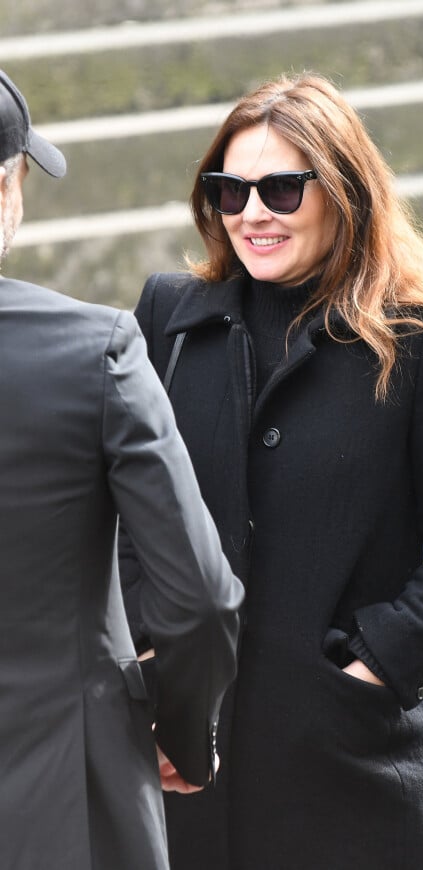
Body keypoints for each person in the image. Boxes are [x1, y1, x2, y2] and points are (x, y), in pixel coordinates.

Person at [120, 72, 423, 870]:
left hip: (357, 774)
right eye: (231, 191)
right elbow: (125, 510)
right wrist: (155, 665)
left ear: (342, 190)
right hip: (191, 772)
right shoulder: (169, 319)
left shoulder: (416, 335)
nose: (252, 213)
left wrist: (367, 670)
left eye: (281, 189)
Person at [0, 68, 244, 870]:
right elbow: (200, 596)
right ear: (10, 187)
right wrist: (185, 739)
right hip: (70, 796)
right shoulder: (94, 353)